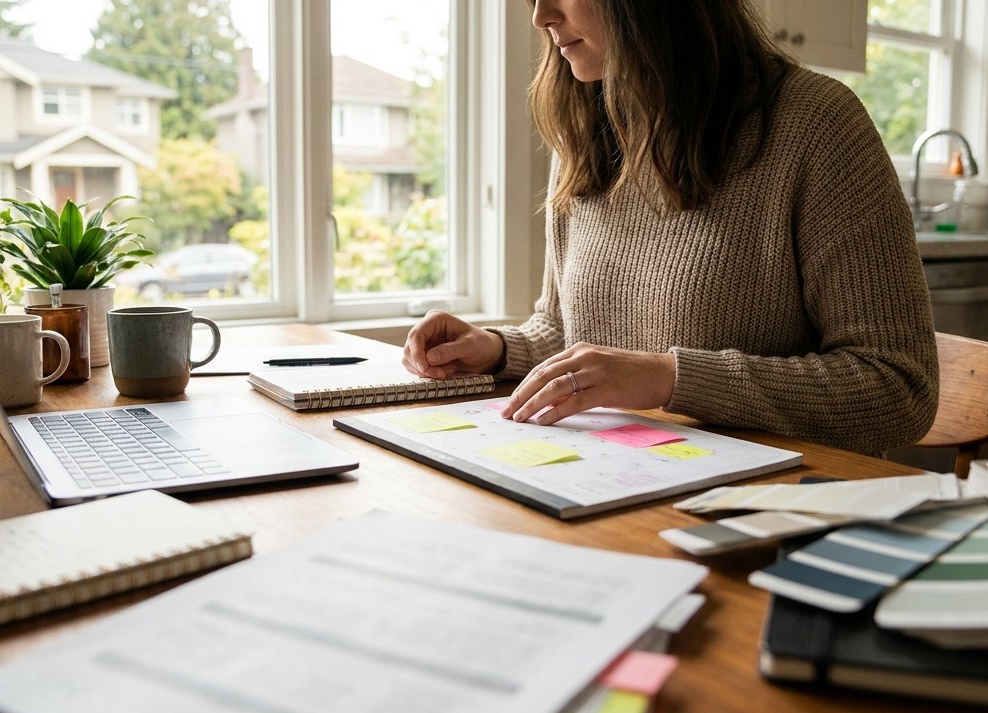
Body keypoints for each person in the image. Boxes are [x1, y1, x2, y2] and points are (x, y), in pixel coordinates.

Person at [401, 0, 938, 456]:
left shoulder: (816, 125)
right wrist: (494, 348)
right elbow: (568, 334)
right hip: (622, 485)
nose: (541, 15)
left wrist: (670, 378)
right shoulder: (587, 130)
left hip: (765, 512)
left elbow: (899, 390)